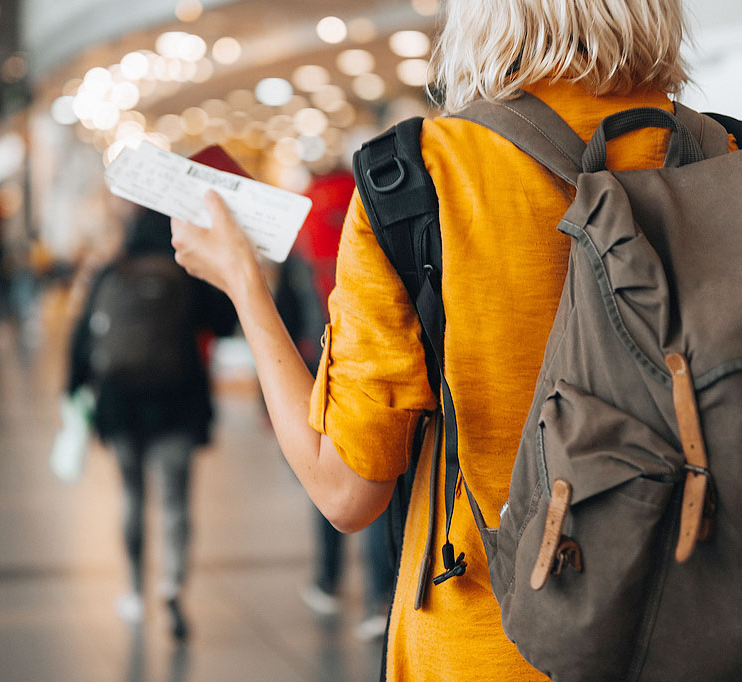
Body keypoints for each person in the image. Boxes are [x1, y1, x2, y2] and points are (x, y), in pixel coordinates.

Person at [168, 0, 700, 678]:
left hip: (490, 643)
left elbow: (345, 494)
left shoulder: (418, 176)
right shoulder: (723, 160)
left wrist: (244, 283)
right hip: (701, 630)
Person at [67, 208, 236, 640]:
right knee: (176, 503)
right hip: (177, 402)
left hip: (121, 403)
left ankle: (134, 592)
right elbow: (225, 321)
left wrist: (74, 391)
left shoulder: (109, 273)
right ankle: (172, 586)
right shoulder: (186, 274)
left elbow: (82, 338)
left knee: (132, 496)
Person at [274, 170, 393, 640]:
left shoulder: (302, 221)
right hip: (368, 359)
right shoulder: (370, 203)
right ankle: (379, 598)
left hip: (312, 367)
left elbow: (285, 305)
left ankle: (327, 581)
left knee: (323, 475)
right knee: (372, 480)